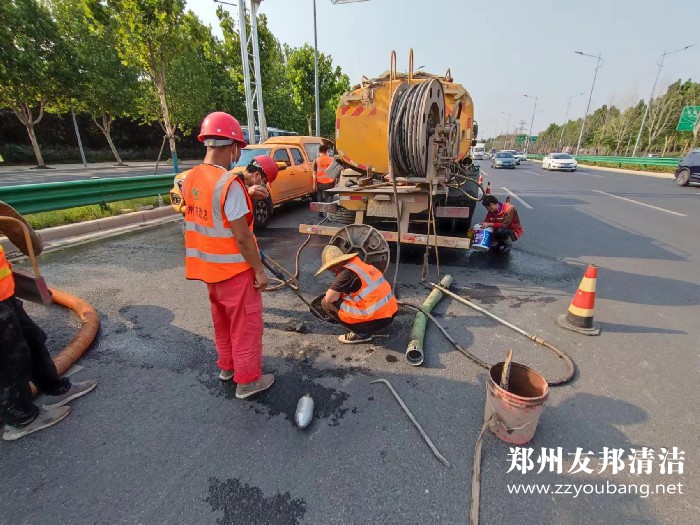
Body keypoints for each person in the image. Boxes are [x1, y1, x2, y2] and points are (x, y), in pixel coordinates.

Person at [183, 111, 274, 399]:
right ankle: (247, 382)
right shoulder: (228, 184)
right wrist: (259, 270)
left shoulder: (191, 178)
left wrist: (246, 193)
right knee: (245, 326)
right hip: (235, 272)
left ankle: (227, 368)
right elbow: (242, 236)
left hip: (210, 272)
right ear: (232, 147)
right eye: (239, 149)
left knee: (222, 322)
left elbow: (212, 213)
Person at [0, 213, 96, 441]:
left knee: (33, 340)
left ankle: (55, 388)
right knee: (10, 360)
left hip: (5, 294)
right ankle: (20, 418)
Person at [316, 245, 398, 344]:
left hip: (377, 320)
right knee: (341, 296)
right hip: (390, 313)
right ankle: (368, 325)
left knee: (326, 303)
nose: (330, 271)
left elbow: (329, 298)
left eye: (329, 268)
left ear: (334, 264)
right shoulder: (358, 265)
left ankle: (361, 334)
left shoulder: (346, 274)